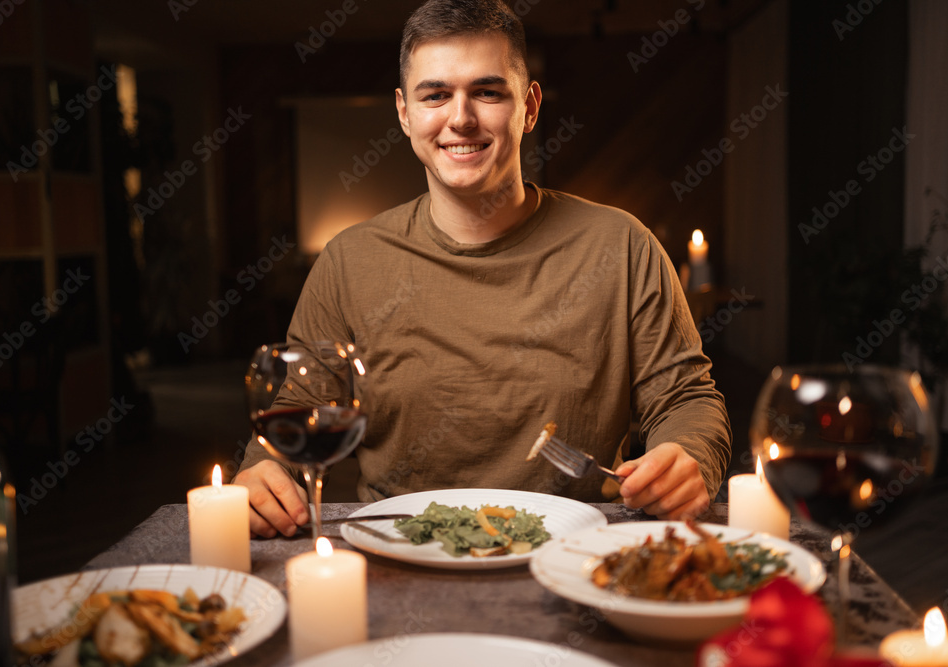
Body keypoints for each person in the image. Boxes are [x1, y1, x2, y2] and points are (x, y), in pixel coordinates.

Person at [234, 0, 731, 538]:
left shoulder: (624, 246)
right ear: (404, 113)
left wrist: (688, 454)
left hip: (577, 554)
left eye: (488, 92)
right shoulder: (348, 261)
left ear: (530, 106)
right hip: (400, 555)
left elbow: (686, 399)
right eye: (436, 95)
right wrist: (261, 474)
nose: (461, 118)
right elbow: (298, 410)